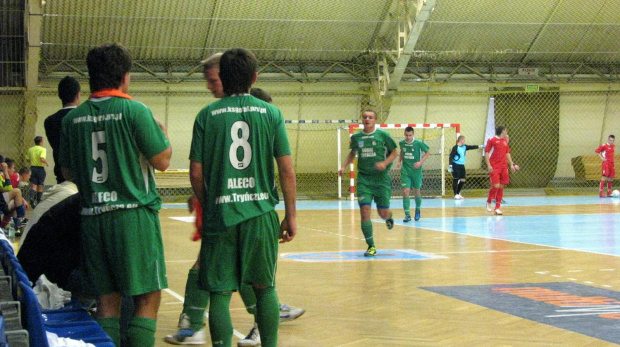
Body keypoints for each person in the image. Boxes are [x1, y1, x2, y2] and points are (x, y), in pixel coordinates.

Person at [165, 55, 304, 347]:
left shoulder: (206, 115)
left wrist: (211, 203)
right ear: (254, 78)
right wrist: (291, 216)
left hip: (222, 214)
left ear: (223, 79)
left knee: (220, 294)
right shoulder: (271, 113)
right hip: (261, 214)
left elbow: (196, 172)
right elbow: (287, 170)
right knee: (265, 289)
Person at [58, 42, 172, 346]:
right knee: (148, 298)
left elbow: (68, 173)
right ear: (125, 76)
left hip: (93, 219)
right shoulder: (135, 110)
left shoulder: (72, 120)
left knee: (107, 301)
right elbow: (162, 160)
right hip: (133, 216)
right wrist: (161, 133)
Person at [339, 109, 398, 256]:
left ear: (375, 120)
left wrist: (384, 163)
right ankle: (371, 246)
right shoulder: (357, 137)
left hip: (381, 180)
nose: (367, 119)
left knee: (382, 212)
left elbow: (395, 152)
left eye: (370, 117)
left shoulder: (383, 135)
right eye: (365, 117)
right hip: (364, 180)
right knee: (365, 211)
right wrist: (344, 166)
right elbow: (352, 153)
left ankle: (388, 217)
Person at [45, 75, 81, 184]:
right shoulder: (84, 117)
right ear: (78, 95)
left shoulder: (50, 121)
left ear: (59, 95)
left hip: (61, 176)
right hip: (84, 176)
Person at [396, 127, 429, 222]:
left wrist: (420, 162)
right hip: (405, 171)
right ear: (404, 134)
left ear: (413, 134)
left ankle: (418, 210)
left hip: (416, 171)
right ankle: (407, 214)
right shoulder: (402, 143)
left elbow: (428, 152)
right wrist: (399, 161)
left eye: (410, 135)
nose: (408, 137)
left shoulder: (418, 143)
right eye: (406, 135)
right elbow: (402, 151)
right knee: (405, 191)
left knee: (416, 191)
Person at [484, 126, 517, 215]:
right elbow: (486, 152)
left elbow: (507, 153)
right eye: (506, 130)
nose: (507, 132)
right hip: (494, 166)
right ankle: (489, 200)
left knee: (501, 187)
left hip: (503, 166)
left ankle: (497, 207)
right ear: (502, 131)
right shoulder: (492, 140)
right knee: (496, 186)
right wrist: (489, 165)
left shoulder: (505, 141)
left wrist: (511, 164)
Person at [449, 135, 483, 200]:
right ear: (461, 140)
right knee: (456, 179)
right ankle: (455, 194)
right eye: (464, 140)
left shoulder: (464, 147)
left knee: (463, 179)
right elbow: (451, 156)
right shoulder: (455, 147)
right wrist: (450, 165)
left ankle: (458, 193)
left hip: (461, 165)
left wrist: (479, 146)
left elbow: (471, 147)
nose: (464, 141)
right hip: (455, 165)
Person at [26, 136, 49, 207]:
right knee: (40, 186)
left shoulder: (30, 149)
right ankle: (39, 201)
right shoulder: (43, 149)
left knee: (33, 186)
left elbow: (27, 159)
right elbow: (42, 159)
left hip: (32, 168)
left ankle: (31, 199)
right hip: (40, 169)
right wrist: (46, 162)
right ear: (41, 142)